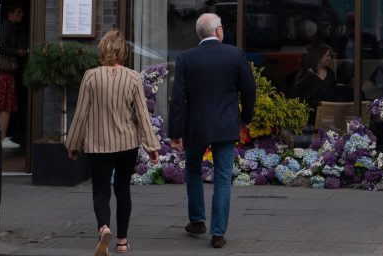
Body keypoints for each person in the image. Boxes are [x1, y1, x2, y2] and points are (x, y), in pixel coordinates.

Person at [65, 29, 160, 255]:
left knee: (100, 191)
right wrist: (152, 146)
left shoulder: (91, 76)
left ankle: (104, 227)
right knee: (123, 190)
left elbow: (81, 114)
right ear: (123, 51)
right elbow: (142, 116)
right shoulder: (133, 77)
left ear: (103, 49)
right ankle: (122, 243)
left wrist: (73, 144)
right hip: (127, 144)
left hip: (98, 145)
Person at [169, 13, 256, 250]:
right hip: (225, 126)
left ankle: (197, 221)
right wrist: (246, 119)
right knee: (222, 178)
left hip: (195, 126)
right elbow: (249, 90)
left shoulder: (186, 58)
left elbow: (178, 99)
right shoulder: (235, 55)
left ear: (200, 33)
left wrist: (175, 132)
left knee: (194, 169)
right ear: (218, 31)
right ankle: (218, 233)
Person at [289, 42, 351, 125]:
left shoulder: (330, 73)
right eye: (327, 56)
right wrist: (307, 76)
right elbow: (296, 92)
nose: (330, 58)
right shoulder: (307, 73)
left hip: (328, 111)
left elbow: (333, 92)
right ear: (318, 57)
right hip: (311, 112)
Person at [0, 3, 28, 149]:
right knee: (5, 105)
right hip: (4, 71)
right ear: (10, 14)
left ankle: (2, 136)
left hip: (5, 72)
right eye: (18, 12)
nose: (21, 15)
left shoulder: (8, 26)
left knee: (4, 104)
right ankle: (2, 138)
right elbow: (2, 46)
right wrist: (17, 52)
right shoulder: (6, 26)